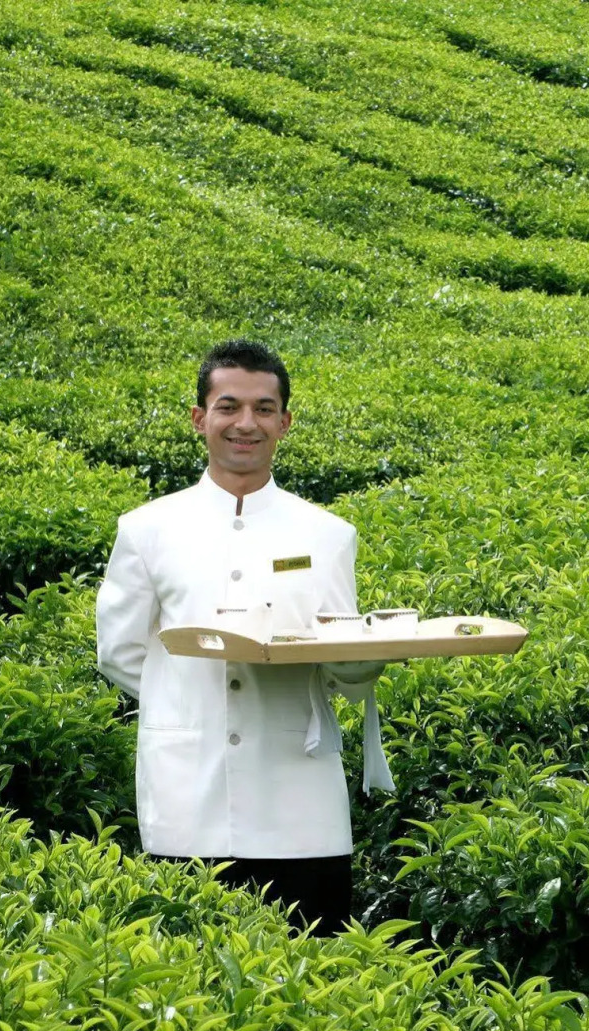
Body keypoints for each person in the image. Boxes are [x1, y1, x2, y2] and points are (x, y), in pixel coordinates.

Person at [95, 339, 393, 935]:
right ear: (199, 418)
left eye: (264, 408)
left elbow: (340, 656)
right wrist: (189, 704)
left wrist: (366, 662)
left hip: (298, 797)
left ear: (285, 422)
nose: (246, 423)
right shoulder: (148, 529)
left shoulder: (327, 534)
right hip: (187, 792)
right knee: (184, 966)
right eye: (228, 406)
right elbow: (120, 652)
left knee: (313, 963)